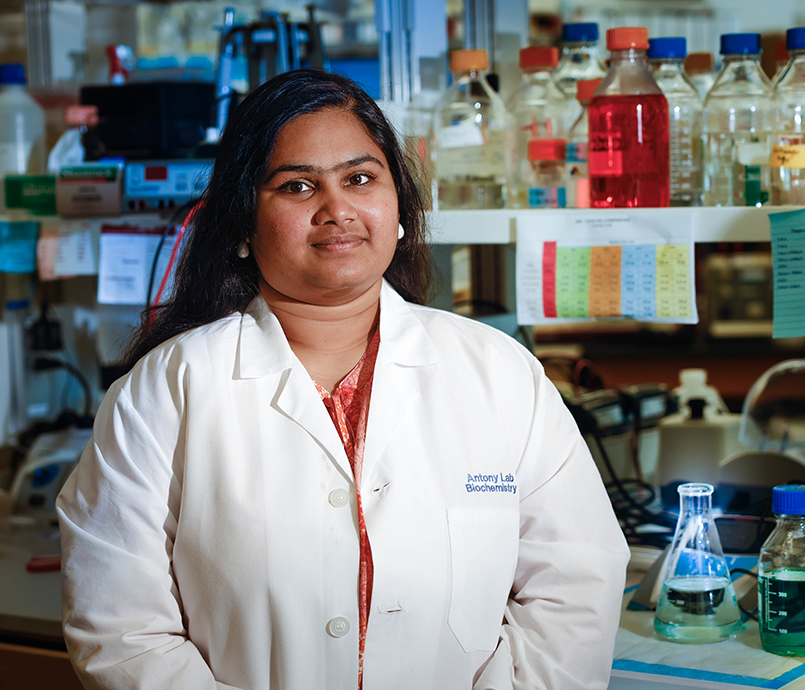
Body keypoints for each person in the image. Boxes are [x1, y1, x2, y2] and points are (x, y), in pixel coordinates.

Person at [56, 68, 629, 690]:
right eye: (297, 186)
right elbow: (120, 627)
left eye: (360, 178)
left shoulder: (498, 372)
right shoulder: (167, 390)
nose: (337, 209)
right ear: (244, 224)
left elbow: (576, 585)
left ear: (399, 207)